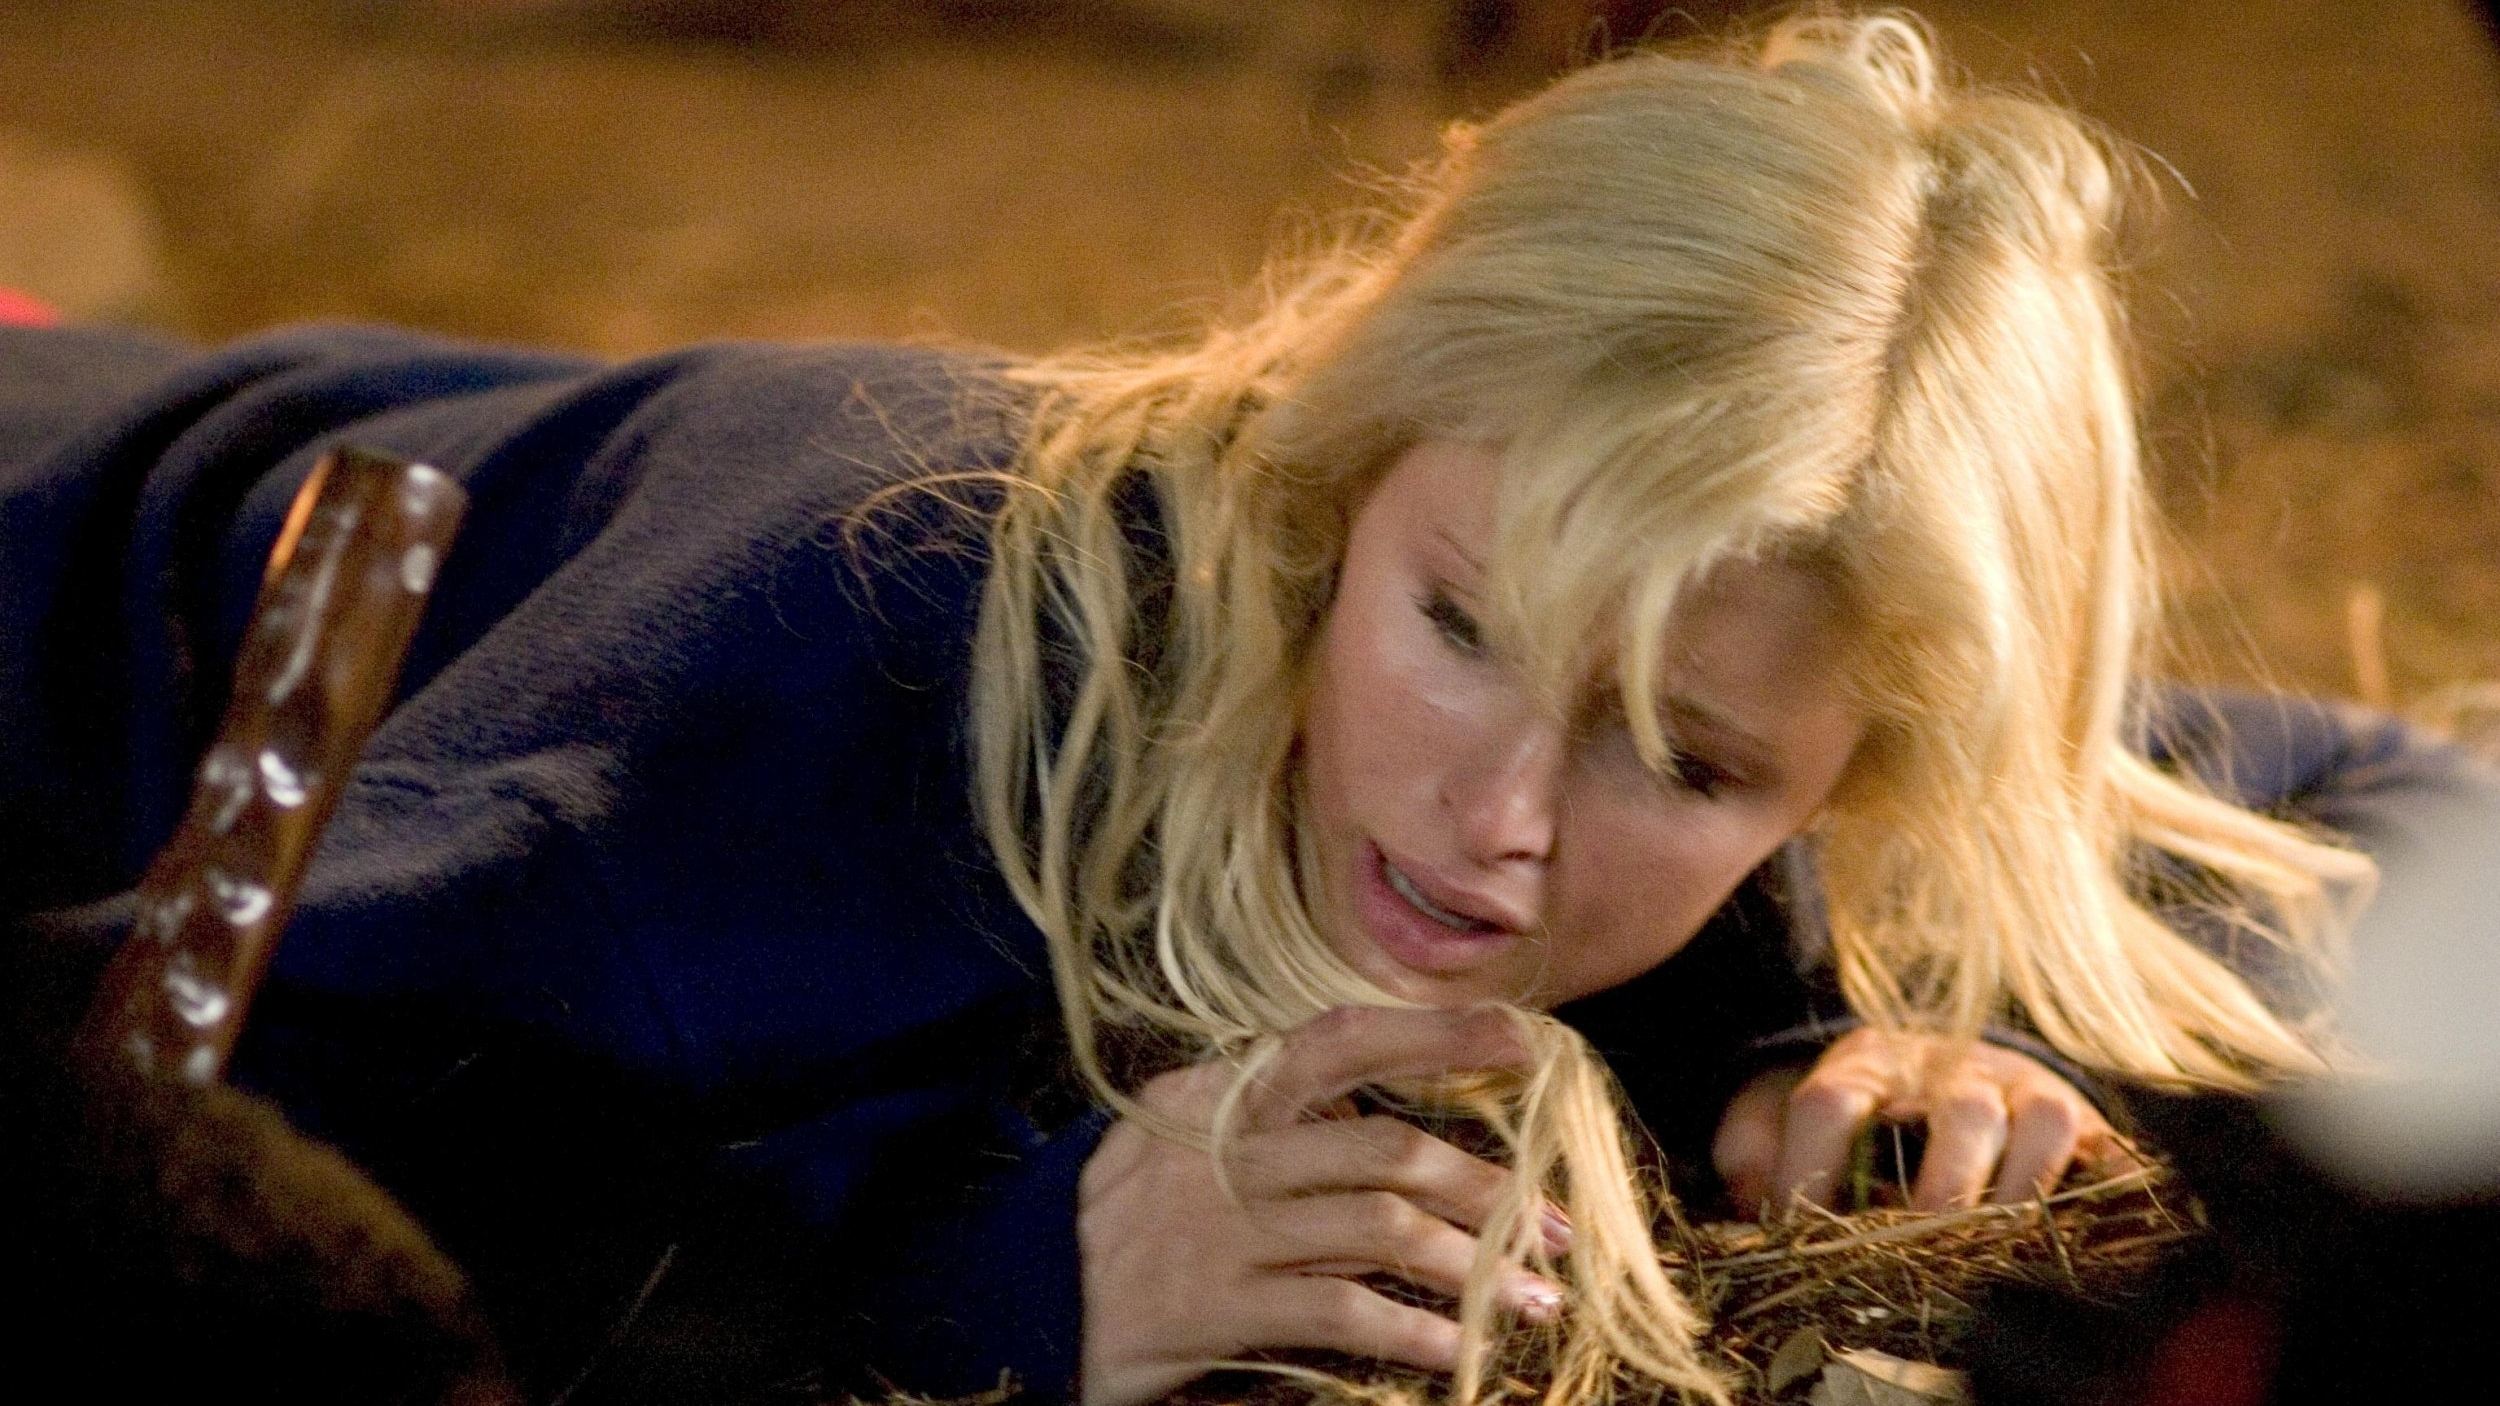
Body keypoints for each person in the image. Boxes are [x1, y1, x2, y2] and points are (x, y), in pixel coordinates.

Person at [2, 12, 2484, 1406]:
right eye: (1456, 627)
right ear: (1334, 470)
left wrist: (1889, 1043)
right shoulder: (886, 648)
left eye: (1683, 760)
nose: (1497, 822)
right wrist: (986, 1297)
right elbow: (137, 1134)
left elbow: (2413, 809)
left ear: (1872, 770)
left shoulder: (1797, 620)